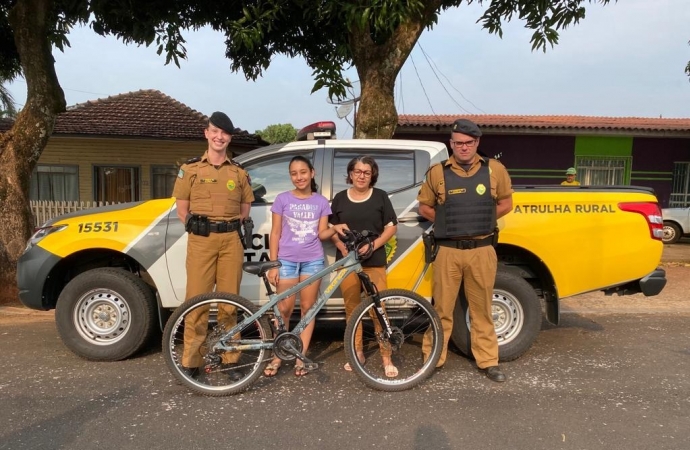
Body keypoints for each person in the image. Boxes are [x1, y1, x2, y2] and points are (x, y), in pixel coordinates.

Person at [417, 118, 513, 383]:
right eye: (458, 143)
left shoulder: (494, 170)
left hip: (481, 250)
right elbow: (424, 207)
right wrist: (446, 220)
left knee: (481, 308)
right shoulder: (437, 172)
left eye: (468, 143)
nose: (463, 148)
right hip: (447, 250)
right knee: (441, 309)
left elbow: (506, 203)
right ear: (451, 144)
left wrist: (482, 219)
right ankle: (433, 359)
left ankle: (488, 361)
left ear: (477, 143)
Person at [172, 111, 254, 378]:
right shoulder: (191, 169)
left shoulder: (239, 173)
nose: (220, 137)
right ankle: (191, 361)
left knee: (230, 303)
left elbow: (245, 210)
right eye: (215, 131)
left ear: (230, 138)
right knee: (197, 302)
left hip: (231, 240)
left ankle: (230, 360)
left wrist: (227, 225)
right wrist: (198, 226)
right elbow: (181, 210)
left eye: (225, 133)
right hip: (202, 241)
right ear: (206, 133)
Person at [329, 155, 399, 377]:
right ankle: (356, 352)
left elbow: (391, 227)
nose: (361, 176)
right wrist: (340, 245)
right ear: (350, 174)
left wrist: (373, 245)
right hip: (348, 263)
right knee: (352, 309)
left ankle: (386, 357)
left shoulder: (380, 197)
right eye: (357, 171)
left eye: (366, 172)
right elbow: (332, 228)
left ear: (372, 175)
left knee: (379, 310)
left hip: (374, 261)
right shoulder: (340, 198)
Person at [263, 156, 333, 377]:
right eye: (294, 173)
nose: (299, 177)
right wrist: (273, 264)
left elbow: (322, 234)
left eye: (303, 172)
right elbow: (275, 233)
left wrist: (336, 228)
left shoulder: (321, 202)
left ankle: (300, 357)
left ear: (312, 173)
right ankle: (277, 355)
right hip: (286, 260)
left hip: (313, 260)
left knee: (307, 310)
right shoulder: (282, 199)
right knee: (283, 310)